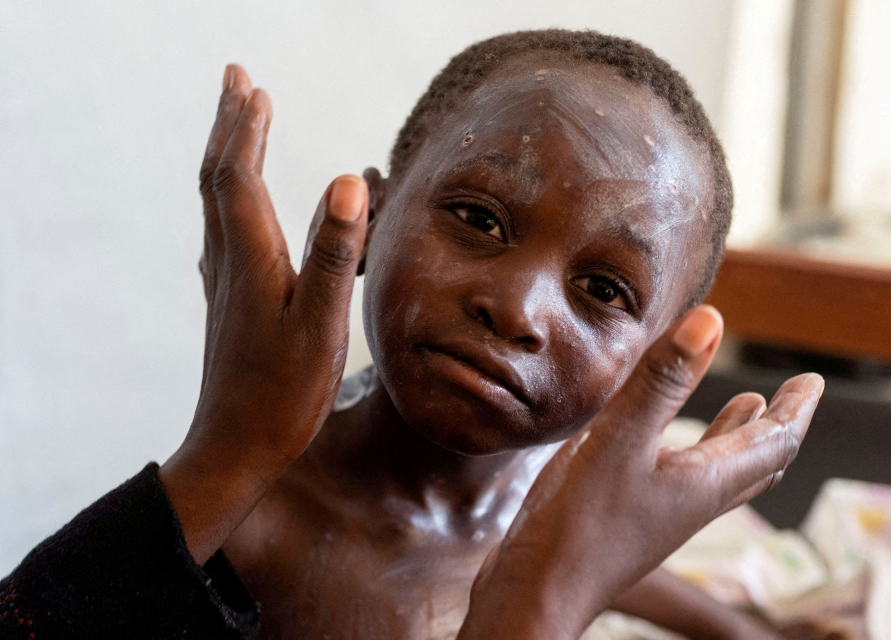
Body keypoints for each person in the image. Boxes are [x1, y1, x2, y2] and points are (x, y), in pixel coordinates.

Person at [0, 29, 824, 640]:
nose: (518, 310)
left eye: (604, 290)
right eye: (478, 218)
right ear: (374, 214)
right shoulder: (262, 528)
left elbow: (586, 559)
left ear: (649, 359)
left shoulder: (543, 488)